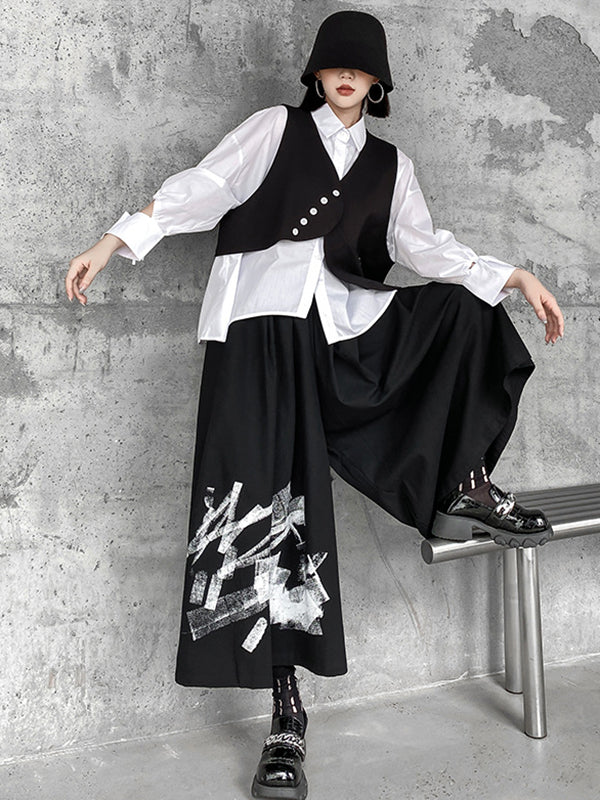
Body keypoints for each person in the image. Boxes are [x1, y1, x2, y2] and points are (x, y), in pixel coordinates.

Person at [65, 10, 564, 800]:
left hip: (341, 340)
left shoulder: (393, 167)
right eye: (336, 65)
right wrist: (113, 241)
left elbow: (425, 247)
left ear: (377, 84)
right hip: (257, 334)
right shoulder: (274, 129)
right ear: (319, 73)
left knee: (467, 314)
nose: (347, 77)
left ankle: (463, 484)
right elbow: (201, 191)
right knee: (267, 511)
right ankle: (286, 714)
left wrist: (510, 276)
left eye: (361, 69)